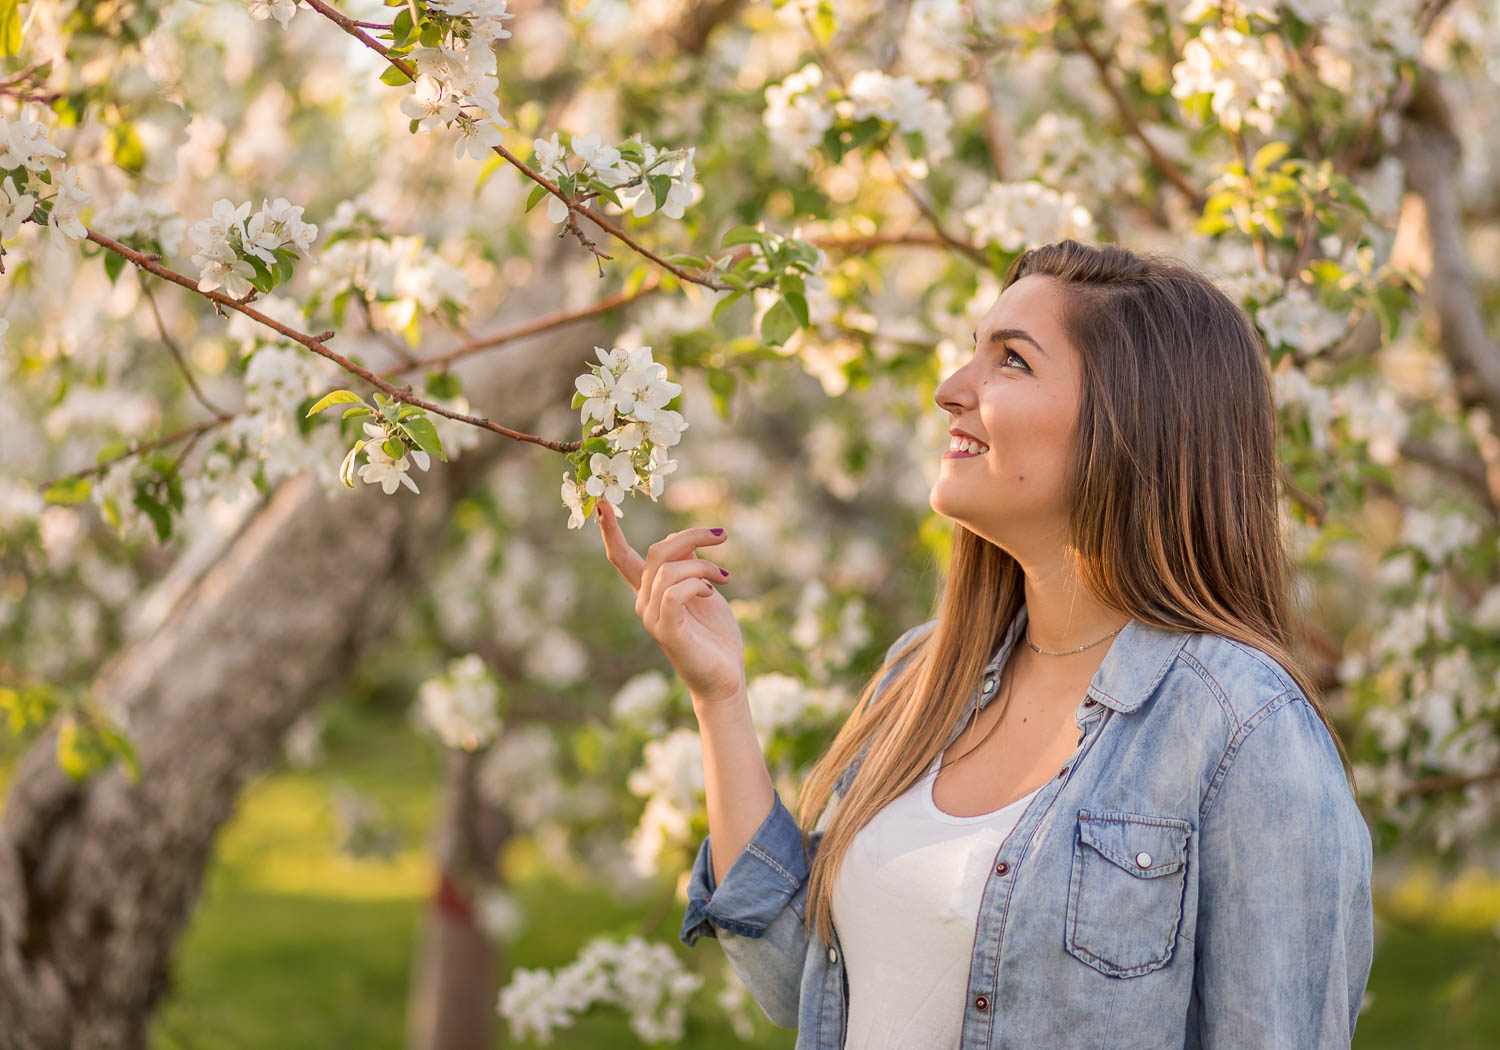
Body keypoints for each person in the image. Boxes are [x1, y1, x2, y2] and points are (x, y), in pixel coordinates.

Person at [596, 239, 1374, 1049]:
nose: (949, 390)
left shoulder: (1243, 732)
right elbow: (808, 985)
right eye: (975, 352)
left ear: (1132, 418)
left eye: (1011, 361)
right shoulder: (922, 675)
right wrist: (719, 697)